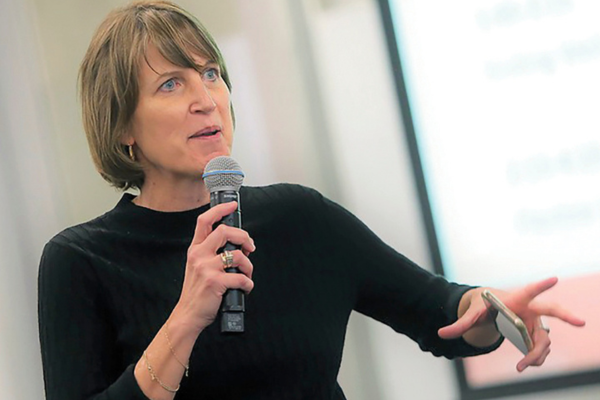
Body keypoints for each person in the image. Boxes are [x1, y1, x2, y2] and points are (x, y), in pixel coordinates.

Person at [37, 1, 585, 400]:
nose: (206, 99)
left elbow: (440, 311)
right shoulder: (82, 261)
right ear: (122, 128)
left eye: (210, 74)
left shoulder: (300, 219)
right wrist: (186, 318)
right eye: (170, 84)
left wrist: (492, 310)